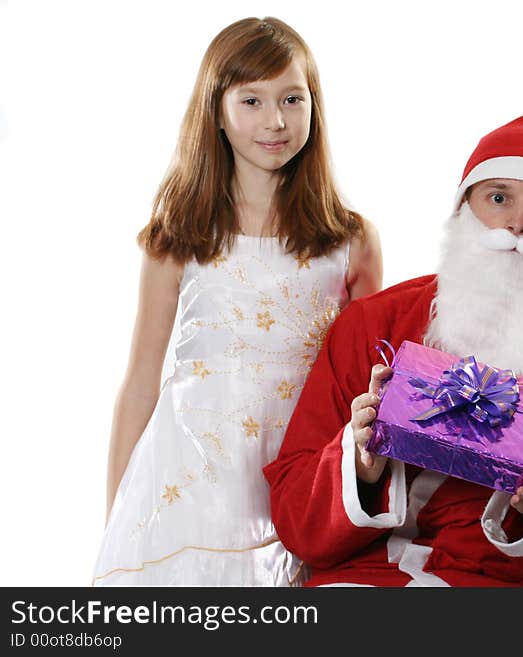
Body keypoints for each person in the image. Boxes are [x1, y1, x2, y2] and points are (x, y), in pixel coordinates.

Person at [264, 108, 523, 586]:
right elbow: (292, 509)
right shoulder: (374, 323)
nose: (518, 225)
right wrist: (356, 462)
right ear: (463, 209)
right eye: (499, 198)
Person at [92, 17, 382, 586]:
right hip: (189, 485)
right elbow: (142, 380)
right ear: (215, 108)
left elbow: (365, 383)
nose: (274, 121)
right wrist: (118, 516)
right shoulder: (177, 237)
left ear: (313, 106)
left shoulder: (349, 242)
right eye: (252, 100)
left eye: (292, 99)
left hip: (298, 479)